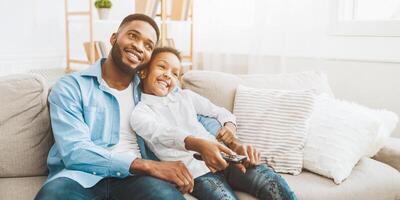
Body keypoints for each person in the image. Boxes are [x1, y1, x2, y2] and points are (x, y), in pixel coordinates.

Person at [34, 14, 227, 200]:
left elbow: (195, 113)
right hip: (79, 177)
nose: (138, 47)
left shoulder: (151, 89)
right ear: (114, 38)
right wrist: (149, 166)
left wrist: (228, 137)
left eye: (148, 45)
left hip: (137, 180)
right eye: (133, 36)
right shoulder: (71, 86)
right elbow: (75, 152)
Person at [131, 47, 297, 200]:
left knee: (271, 182)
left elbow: (222, 113)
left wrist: (229, 129)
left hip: (227, 159)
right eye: (162, 67)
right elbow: (163, 134)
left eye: (175, 73)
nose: (168, 75)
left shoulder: (185, 96)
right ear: (143, 72)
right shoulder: (140, 113)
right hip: (196, 174)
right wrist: (199, 144)